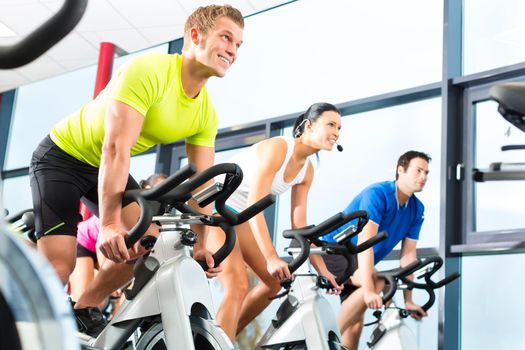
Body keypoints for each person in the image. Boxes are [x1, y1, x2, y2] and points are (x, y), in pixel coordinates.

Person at [28, 4, 244, 337]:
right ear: (196, 35)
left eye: (238, 45)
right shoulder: (149, 71)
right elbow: (116, 148)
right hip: (62, 157)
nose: (232, 50)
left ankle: (85, 307)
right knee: (58, 269)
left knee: (149, 246)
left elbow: (205, 184)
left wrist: (203, 242)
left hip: (102, 164)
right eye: (226, 37)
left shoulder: (205, 112)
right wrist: (110, 223)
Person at [206, 102, 344, 341]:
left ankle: (221, 341)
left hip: (240, 216)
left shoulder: (306, 170)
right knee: (238, 285)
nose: (336, 132)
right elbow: (253, 202)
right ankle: (218, 343)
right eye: (331, 124)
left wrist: (323, 270)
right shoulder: (279, 148)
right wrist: (270, 256)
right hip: (215, 205)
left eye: (339, 127)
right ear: (308, 126)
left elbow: (300, 227)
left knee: (273, 283)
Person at [320, 150, 431, 350]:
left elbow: (408, 257)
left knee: (355, 325)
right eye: (418, 170)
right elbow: (366, 242)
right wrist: (370, 290)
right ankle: (323, 343)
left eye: (426, 172)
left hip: (360, 257)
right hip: (335, 250)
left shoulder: (417, 209)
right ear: (401, 170)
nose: (423, 177)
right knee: (379, 282)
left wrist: (409, 300)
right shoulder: (378, 194)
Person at [69, 174, 167, 309]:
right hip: (85, 243)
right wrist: (107, 277)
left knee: (127, 292)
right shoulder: (131, 208)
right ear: (147, 188)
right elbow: (101, 243)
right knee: (88, 300)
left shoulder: (156, 218)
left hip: (112, 247)